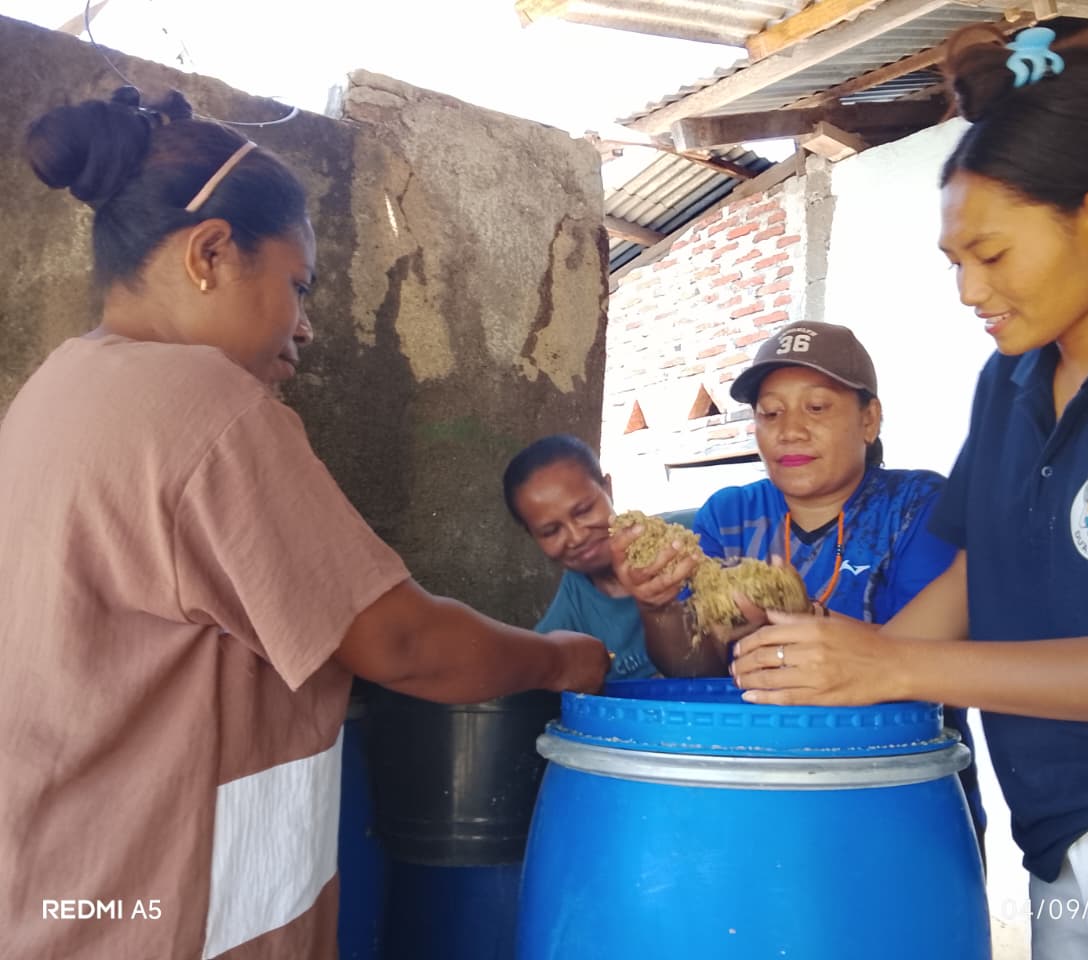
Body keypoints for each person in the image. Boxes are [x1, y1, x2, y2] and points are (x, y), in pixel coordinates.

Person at [0, 87, 608, 960]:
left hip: (62, 890)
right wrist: (561, 659)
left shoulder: (54, 392)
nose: (305, 325)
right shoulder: (205, 405)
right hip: (173, 909)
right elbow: (401, 644)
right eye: (296, 284)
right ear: (211, 252)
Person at [731, 25, 1088, 960]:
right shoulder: (1011, 382)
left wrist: (897, 669)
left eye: (990, 253)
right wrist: (843, 672)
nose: (966, 289)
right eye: (954, 261)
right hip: (1057, 839)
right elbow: (984, 574)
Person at [611, 319, 986, 852]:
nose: (790, 431)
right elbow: (695, 668)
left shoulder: (920, 507)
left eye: (817, 408)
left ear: (869, 420)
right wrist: (657, 606)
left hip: (894, 796)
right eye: (770, 412)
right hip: (756, 795)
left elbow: (920, 665)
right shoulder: (730, 513)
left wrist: (808, 620)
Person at [503, 434, 657, 681]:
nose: (576, 537)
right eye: (551, 531)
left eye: (584, 510)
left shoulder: (697, 542)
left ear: (608, 488)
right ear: (533, 536)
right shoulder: (567, 618)